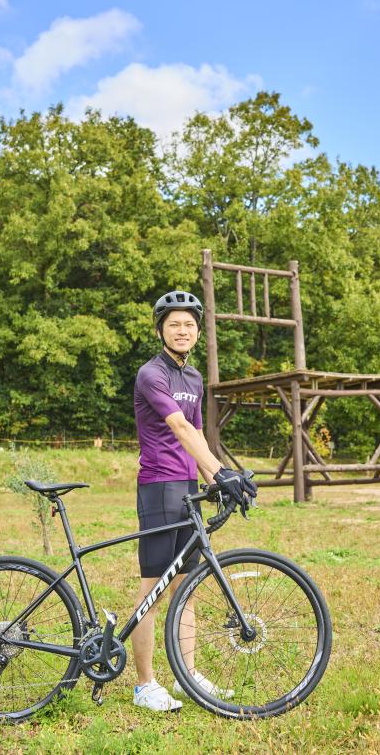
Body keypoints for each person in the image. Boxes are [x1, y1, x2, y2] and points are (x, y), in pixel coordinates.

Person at [132, 290, 257, 712]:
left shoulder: (195, 378)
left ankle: (186, 676)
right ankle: (144, 684)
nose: (182, 330)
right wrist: (220, 472)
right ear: (161, 330)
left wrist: (218, 478)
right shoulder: (152, 374)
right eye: (174, 324)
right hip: (157, 487)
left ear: (197, 331)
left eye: (189, 324)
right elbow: (180, 428)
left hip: (187, 491)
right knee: (152, 591)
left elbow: (199, 439)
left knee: (187, 586)